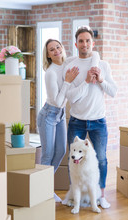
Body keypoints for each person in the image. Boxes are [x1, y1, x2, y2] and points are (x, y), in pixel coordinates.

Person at [63, 26, 117, 209]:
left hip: (98, 121)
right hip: (77, 120)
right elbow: (71, 97)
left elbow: (114, 92)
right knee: (74, 159)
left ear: (93, 43)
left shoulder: (103, 65)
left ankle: (101, 196)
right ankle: (74, 196)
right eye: (81, 41)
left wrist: (101, 79)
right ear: (76, 44)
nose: (84, 44)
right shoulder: (70, 65)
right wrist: (86, 80)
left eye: (88, 41)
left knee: (101, 158)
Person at [37, 39, 79, 202]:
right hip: (48, 114)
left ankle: (44, 186)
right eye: (51, 50)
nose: (56, 51)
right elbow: (59, 101)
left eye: (58, 47)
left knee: (61, 150)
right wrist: (68, 81)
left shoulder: (67, 64)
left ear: (62, 48)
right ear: (48, 55)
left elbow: (85, 58)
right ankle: (43, 191)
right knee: (47, 154)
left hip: (60, 115)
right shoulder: (51, 73)